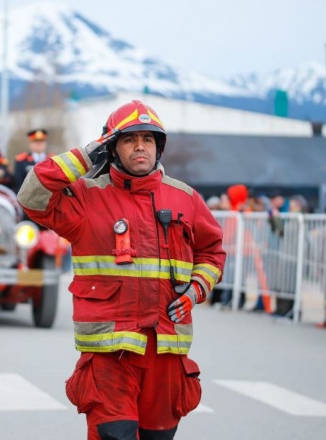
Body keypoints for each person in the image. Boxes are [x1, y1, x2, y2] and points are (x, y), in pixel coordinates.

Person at [17, 100, 226, 440]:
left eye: (148, 138)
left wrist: (194, 291)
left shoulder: (186, 198)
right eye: (129, 139)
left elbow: (212, 251)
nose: (140, 146)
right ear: (111, 147)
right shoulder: (86, 197)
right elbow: (32, 194)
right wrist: (86, 155)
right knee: (115, 434)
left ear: (159, 147)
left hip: (166, 347)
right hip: (110, 351)